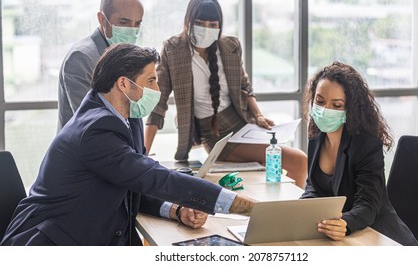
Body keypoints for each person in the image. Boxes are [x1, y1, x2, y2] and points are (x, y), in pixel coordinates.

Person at [1, 43, 255, 246]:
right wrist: (244, 207)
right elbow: (153, 177)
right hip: (53, 244)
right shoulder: (95, 129)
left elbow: (132, 184)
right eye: (151, 81)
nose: (157, 88)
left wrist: (175, 210)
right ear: (124, 84)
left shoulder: (126, 118)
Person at [144, 0, 307, 188]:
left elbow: (244, 86)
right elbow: (158, 104)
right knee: (297, 159)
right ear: (188, 21)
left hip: (242, 125)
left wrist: (259, 115)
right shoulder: (173, 49)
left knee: (292, 161)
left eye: (213, 25)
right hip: (213, 134)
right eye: (200, 23)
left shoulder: (230, 46)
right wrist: (143, 154)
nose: (207, 29)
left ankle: (291, 206)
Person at [300, 61, 418, 246]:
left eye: (336, 105)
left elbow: (368, 204)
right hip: (335, 233)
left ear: (350, 108)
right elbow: (314, 186)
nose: (325, 110)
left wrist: (345, 223)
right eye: (320, 101)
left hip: (377, 234)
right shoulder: (316, 133)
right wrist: (300, 210)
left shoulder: (366, 142)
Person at [58, 0, 143, 130]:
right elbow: (91, 122)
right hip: (89, 149)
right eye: (123, 22)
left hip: (118, 148)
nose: (132, 30)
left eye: (137, 23)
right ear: (102, 19)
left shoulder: (125, 56)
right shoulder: (81, 58)